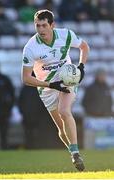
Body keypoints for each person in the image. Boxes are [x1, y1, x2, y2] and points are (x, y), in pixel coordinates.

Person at [21, 9, 89, 171]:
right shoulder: (30, 47)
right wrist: (51, 85)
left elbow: (84, 47)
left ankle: (76, 153)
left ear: (52, 25)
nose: (41, 29)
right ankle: (72, 151)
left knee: (64, 111)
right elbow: (26, 78)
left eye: (44, 25)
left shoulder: (65, 35)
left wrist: (81, 67)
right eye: (38, 26)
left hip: (67, 79)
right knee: (60, 128)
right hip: (46, 87)